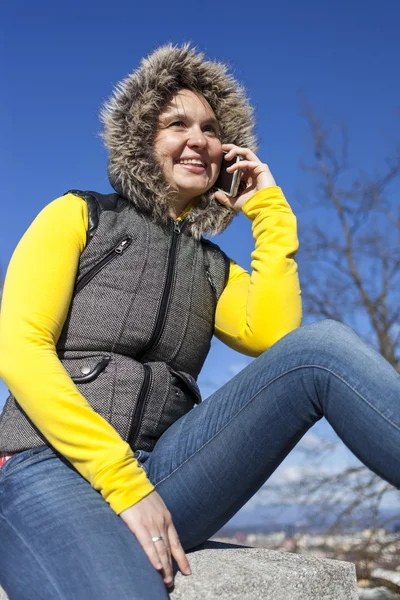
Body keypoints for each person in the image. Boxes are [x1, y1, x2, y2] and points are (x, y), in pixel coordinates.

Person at [0, 44, 398, 600]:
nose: (199, 140)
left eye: (211, 129)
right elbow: (20, 350)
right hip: (52, 465)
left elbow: (281, 343)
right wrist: (120, 482)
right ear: (143, 140)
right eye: (176, 124)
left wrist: (269, 212)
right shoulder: (78, 215)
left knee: (323, 347)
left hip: (164, 474)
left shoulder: (213, 268)